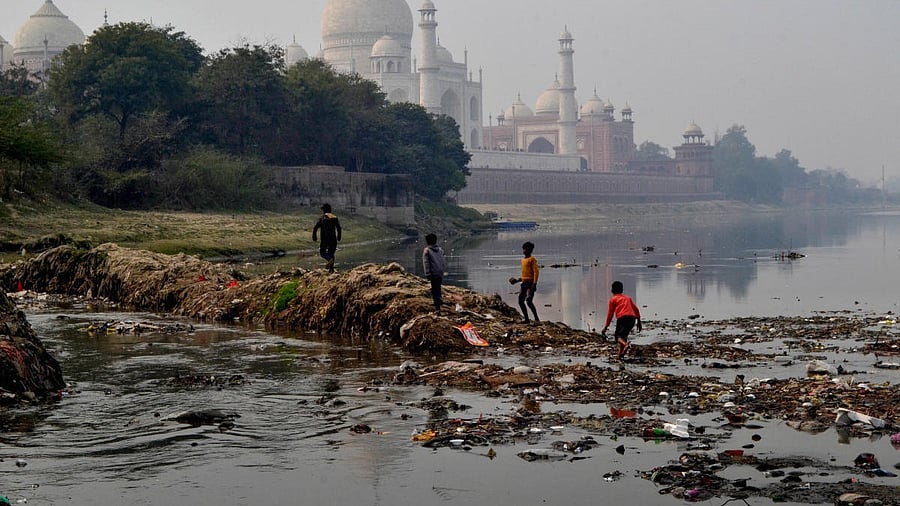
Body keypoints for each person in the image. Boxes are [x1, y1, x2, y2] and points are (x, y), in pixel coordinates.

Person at [601, 281, 642, 360]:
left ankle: (626, 345)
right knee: (623, 337)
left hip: (622, 318)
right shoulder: (628, 298)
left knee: (618, 337)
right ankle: (620, 355)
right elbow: (636, 309)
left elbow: (610, 314)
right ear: (622, 290)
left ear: (612, 290)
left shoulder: (613, 300)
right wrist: (639, 321)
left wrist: (606, 327)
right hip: (632, 318)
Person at [422, 233, 448, 315]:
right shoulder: (440, 250)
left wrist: (427, 274)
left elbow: (426, 263)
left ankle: (437, 306)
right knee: (438, 287)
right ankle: (439, 301)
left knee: (434, 289)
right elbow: (443, 261)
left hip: (433, 273)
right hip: (439, 272)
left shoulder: (427, 251)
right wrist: (442, 270)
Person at [312, 203, 341, 273]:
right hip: (333, 239)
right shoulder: (335, 217)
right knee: (331, 252)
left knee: (322, 252)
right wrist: (339, 236)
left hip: (325, 239)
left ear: (324, 210)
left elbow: (315, 228)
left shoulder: (322, 218)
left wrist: (314, 236)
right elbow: (339, 228)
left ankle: (329, 260)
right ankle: (331, 269)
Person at [517, 241, 540, 324]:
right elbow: (524, 274)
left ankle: (536, 319)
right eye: (524, 249)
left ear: (530, 251)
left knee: (529, 301)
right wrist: (517, 280)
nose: (524, 251)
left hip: (530, 283)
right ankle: (526, 319)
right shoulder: (523, 260)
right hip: (524, 283)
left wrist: (535, 284)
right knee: (520, 301)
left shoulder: (532, 259)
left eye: (526, 250)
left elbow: (536, 272)